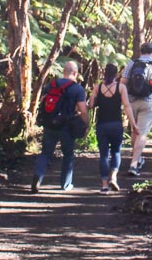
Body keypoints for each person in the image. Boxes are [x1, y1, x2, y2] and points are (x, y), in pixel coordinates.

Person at [32, 60, 88, 192]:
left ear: (64, 71)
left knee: (45, 153)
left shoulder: (51, 85)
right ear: (75, 73)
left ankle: (37, 176)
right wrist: (86, 125)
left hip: (49, 124)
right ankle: (65, 184)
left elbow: (42, 102)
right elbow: (83, 110)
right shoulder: (77, 89)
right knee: (68, 154)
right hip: (67, 127)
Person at [87, 63, 138, 193]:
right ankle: (113, 177)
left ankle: (104, 186)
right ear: (116, 74)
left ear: (105, 73)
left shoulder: (97, 87)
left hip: (102, 125)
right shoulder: (121, 87)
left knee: (103, 155)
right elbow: (127, 106)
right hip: (116, 125)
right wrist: (134, 124)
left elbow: (91, 104)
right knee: (116, 152)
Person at [122, 42, 152, 176]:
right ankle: (134, 164)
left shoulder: (131, 64)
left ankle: (136, 157)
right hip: (149, 103)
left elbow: (123, 82)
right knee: (141, 133)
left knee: (134, 130)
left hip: (131, 102)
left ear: (140, 51)